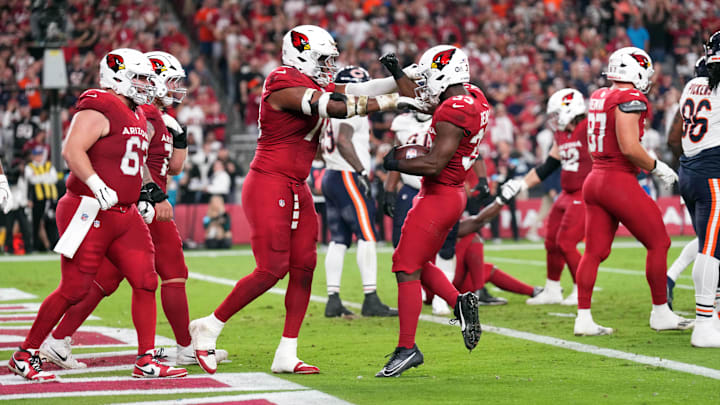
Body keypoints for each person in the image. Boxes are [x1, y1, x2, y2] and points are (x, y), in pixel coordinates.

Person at [189, 25, 417, 375]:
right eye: (323, 59)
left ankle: (286, 352)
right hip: (269, 182)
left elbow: (363, 87)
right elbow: (334, 107)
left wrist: (412, 73)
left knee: (304, 265)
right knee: (271, 269)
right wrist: (391, 101)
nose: (329, 66)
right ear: (301, 54)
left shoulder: (314, 81)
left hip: (298, 185)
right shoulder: (281, 80)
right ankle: (210, 325)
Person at [38, 51, 230, 370]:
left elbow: (174, 166)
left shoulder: (157, 117)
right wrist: (151, 195)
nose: (173, 87)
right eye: (168, 80)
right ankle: (183, 346)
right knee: (172, 275)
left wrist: (178, 138)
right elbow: (130, 161)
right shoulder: (142, 113)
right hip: (140, 204)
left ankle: (58, 339)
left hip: (137, 203)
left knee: (106, 281)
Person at [8, 48, 187, 382]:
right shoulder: (100, 106)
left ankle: (146, 359)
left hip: (125, 213)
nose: (147, 84)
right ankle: (25, 353)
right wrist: (94, 182)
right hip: (87, 208)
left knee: (146, 281)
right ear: (116, 77)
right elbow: (71, 149)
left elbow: (131, 164)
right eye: (140, 77)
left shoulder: (136, 113)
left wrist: (142, 194)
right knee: (74, 288)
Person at [376, 47, 488, 377]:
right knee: (416, 261)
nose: (425, 84)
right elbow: (421, 101)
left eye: (428, 77)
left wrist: (394, 163)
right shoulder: (473, 96)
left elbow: (434, 162)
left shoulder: (454, 109)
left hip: (439, 194)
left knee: (404, 266)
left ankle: (407, 348)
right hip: (449, 193)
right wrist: (398, 76)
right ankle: (459, 303)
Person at [572, 47, 693, 336]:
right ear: (636, 72)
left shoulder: (600, 95)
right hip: (617, 180)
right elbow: (628, 146)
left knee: (594, 252)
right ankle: (661, 312)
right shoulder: (631, 97)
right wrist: (657, 166)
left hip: (595, 179)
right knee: (659, 243)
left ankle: (583, 318)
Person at [502, 88, 591, 306]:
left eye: (557, 114)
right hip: (566, 193)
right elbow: (548, 166)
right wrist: (521, 184)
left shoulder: (589, 129)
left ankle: (581, 290)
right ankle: (552, 289)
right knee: (551, 241)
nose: (554, 120)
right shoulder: (561, 134)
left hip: (585, 192)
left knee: (567, 243)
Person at [320, 66, 397, 318]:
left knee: (338, 239)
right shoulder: (351, 107)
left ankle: (333, 299)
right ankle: (370, 297)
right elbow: (343, 140)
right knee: (367, 235)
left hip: (331, 174)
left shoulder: (330, 109)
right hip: (347, 175)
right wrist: (361, 171)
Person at [674, 31, 720, 347]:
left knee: (711, 244)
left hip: (689, 170)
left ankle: (712, 313)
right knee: (711, 249)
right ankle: (704, 322)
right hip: (711, 173)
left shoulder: (692, 85)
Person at [24, 146, 59, 252]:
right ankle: (36, 246)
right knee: (36, 222)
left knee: (52, 222)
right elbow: (31, 180)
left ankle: (54, 246)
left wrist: (39, 177)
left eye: (40, 155)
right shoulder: (29, 167)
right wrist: (45, 177)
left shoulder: (48, 165)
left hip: (50, 198)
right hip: (37, 199)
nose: (38, 157)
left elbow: (54, 179)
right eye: (36, 155)